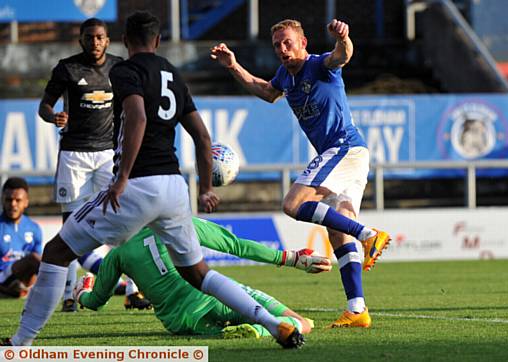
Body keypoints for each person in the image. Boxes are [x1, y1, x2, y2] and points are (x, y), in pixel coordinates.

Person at [2, 11, 303, 349]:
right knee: (198, 273)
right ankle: (274, 323)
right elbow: (203, 137)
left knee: (56, 250)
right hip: (174, 188)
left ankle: (20, 343)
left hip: (138, 185)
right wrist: (205, 189)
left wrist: (122, 178)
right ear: (158, 41)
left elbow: (137, 116)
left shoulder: (125, 70)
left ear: (126, 41)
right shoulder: (173, 74)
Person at [211, 19, 391, 328]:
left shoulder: (320, 65)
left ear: (303, 42)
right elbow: (266, 91)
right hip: (351, 155)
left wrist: (343, 38)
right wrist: (233, 65)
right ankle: (357, 308)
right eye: (278, 45)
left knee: (292, 205)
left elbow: (342, 56)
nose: (282, 49)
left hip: (343, 148)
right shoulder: (285, 76)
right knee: (338, 229)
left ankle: (370, 235)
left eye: (288, 43)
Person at [38, 17, 148, 312]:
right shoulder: (67, 68)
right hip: (73, 155)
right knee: (70, 225)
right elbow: (44, 106)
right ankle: (68, 296)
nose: (95, 42)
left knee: (123, 221)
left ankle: (134, 291)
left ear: (108, 40)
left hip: (107, 155)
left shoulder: (120, 67)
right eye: (89, 38)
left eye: (100, 37)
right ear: (81, 40)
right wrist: (54, 117)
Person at [73, 217, 331, 338]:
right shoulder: (178, 223)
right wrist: (290, 259)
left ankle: (246, 330)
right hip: (215, 298)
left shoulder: (116, 252)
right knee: (301, 322)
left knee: (216, 331)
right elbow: (236, 246)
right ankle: (259, 329)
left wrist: (81, 292)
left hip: (180, 321)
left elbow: (95, 301)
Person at [0, 178, 43, 298]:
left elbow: (37, 265)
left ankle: (19, 291)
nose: (13, 204)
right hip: (2, 277)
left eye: (17, 200)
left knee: (42, 259)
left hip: (24, 280)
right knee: (32, 259)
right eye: (9, 200)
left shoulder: (34, 228)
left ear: (26, 202)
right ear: (2, 200)